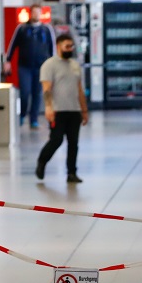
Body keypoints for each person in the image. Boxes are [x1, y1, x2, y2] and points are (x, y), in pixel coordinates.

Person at [35, 33, 89, 183]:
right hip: (58, 110)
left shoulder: (75, 65)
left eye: (71, 46)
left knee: (73, 143)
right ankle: (42, 161)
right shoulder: (49, 65)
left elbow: (79, 89)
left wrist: (84, 110)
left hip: (74, 110)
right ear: (58, 46)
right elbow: (46, 89)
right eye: (67, 46)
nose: (70, 49)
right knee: (56, 140)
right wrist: (48, 107)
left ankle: (71, 172)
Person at [4, 4, 56, 128]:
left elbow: (52, 47)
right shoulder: (22, 29)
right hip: (24, 66)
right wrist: (8, 61)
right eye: (33, 12)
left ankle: (34, 118)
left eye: (38, 12)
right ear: (30, 14)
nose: (36, 15)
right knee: (25, 92)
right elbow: (12, 45)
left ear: (41, 14)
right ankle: (22, 114)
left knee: (37, 93)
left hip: (41, 67)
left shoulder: (46, 29)